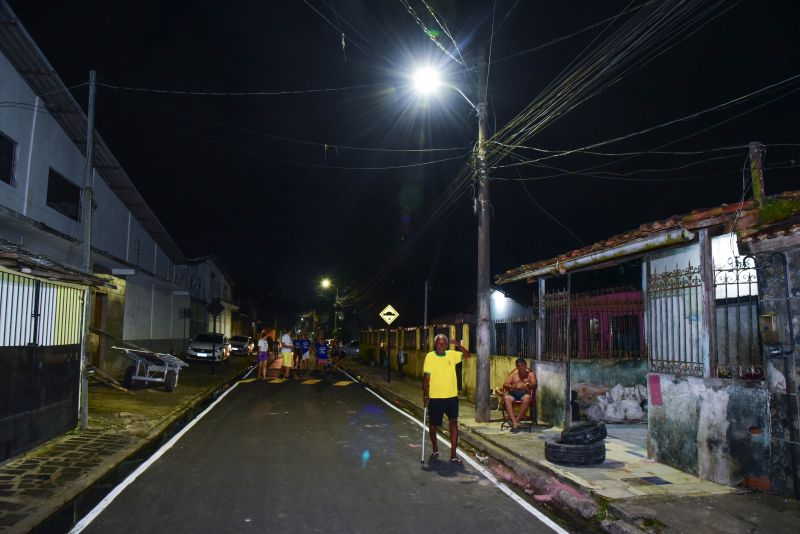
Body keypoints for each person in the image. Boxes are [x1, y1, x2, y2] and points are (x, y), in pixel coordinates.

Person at [422, 334, 470, 465]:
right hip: (435, 397)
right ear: (435, 344)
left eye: (444, 343)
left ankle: (453, 455)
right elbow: (426, 378)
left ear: (447, 345)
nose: (441, 346)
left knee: (453, 424)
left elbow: (467, 356)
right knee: (433, 426)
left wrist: (459, 345)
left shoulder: (452, 354)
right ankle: (435, 448)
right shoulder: (430, 357)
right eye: (439, 343)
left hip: (451, 397)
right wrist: (425, 394)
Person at [501, 358, 537, 432]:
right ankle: (515, 422)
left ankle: (516, 421)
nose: (521, 368)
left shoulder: (531, 374)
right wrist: (512, 386)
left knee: (527, 398)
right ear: (517, 367)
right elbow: (505, 384)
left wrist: (526, 385)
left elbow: (534, 385)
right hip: (513, 393)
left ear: (526, 366)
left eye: (523, 365)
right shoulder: (513, 375)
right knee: (507, 398)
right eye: (519, 366)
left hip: (524, 393)